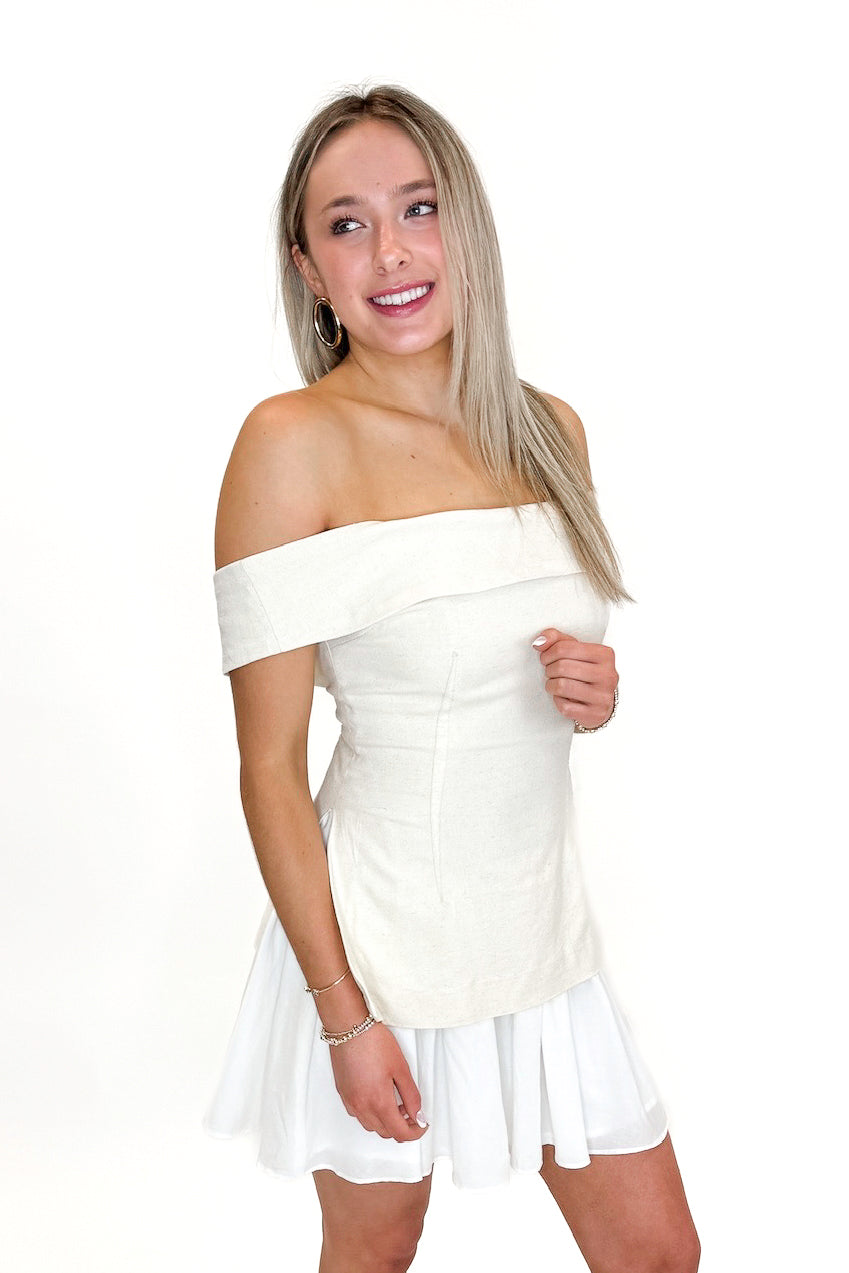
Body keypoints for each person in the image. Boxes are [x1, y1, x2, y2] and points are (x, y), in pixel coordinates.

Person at [205, 83, 701, 1273]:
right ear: (309, 266)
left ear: (465, 227)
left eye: (418, 208)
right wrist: (344, 1013)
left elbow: (520, 668)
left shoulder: (549, 429)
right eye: (348, 223)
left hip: (539, 927)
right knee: (378, 1249)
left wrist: (595, 689)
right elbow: (268, 769)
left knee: (657, 1252)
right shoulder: (289, 443)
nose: (392, 251)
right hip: (377, 941)